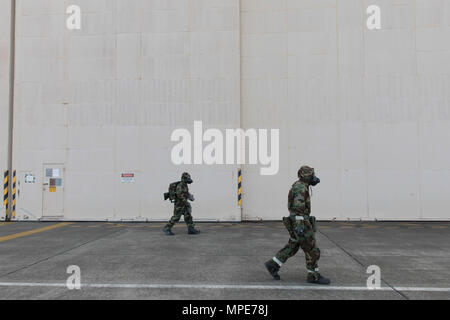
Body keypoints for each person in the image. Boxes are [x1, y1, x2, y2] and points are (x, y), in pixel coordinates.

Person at [265, 166, 330, 285]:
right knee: (312, 249)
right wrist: (301, 226)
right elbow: (298, 207)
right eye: (311, 174)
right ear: (305, 175)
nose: (313, 177)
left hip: (296, 221)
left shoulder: (299, 185)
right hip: (301, 223)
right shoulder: (300, 187)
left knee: (293, 246)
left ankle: (273, 264)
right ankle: (313, 276)